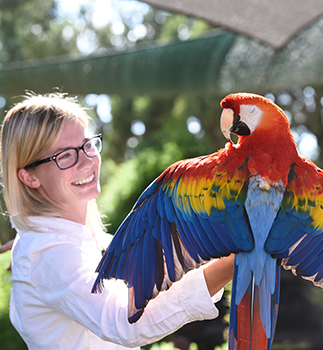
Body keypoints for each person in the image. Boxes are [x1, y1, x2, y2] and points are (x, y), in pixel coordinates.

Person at [0, 92, 235, 350]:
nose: (87, 160)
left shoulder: (55, 244)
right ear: (30, 178)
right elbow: (127, 323)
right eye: (65, 155)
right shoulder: (47, 253)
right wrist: (234, 260)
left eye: (87, 144)